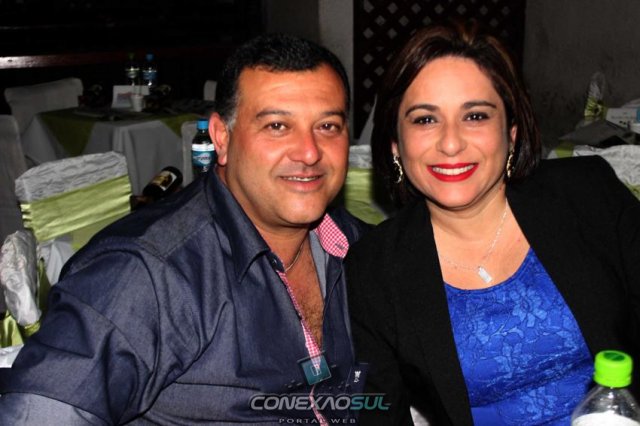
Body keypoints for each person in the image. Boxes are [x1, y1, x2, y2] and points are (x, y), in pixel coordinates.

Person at [0, 33, 369, 424]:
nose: (309, 152)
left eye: (328, 126)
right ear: (221, 138)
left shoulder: (357, 246)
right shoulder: (145, 274)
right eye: (277, 125)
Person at [345, 20, 640, 425]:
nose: (451, 143)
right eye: (425, 119)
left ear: (511, 133)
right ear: (396, 143)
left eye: (475, 116)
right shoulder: (372, 272)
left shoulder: (588, 195)